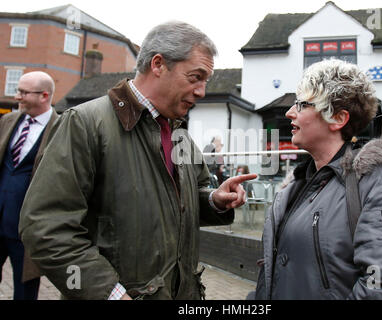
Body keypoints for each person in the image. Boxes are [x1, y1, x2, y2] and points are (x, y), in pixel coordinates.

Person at [18, 21, 256, 300]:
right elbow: (45, 228)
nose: (202, 91)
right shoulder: (85, 124)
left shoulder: (180, 135)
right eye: (195, 77)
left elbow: (183, 203)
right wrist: (111, 294)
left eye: (206, 81)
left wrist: (215, 199)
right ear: (158, 64)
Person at [253, 59, 382, 299]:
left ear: (338, 118)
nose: (289, 113)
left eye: (302, 104)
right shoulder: (297, 186)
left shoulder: (377, 181)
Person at [0, 71, 58, 300]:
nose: (18, 97)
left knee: (25, 292)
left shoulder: (63, 128)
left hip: (27, 231)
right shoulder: (8, 121)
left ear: (44, 95)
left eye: (24, 92)